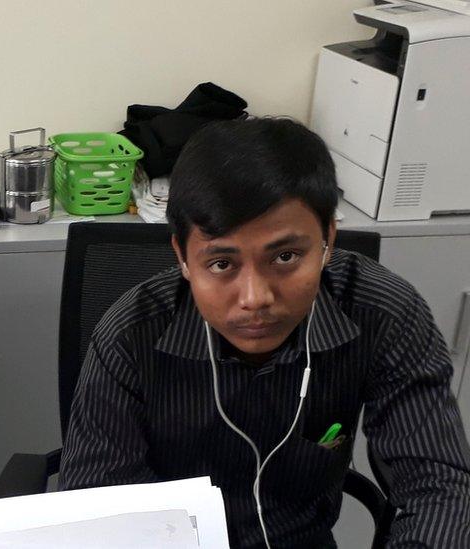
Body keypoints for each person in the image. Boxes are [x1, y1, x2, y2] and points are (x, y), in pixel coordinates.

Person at [59, 117, 470, 548]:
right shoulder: (132, 333)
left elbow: (439, 489)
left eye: (286, 256)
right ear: (182, 256)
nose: (255, 298)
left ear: (328, 237)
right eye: (222, 264)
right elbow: (100, 510)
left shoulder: (382, 312)